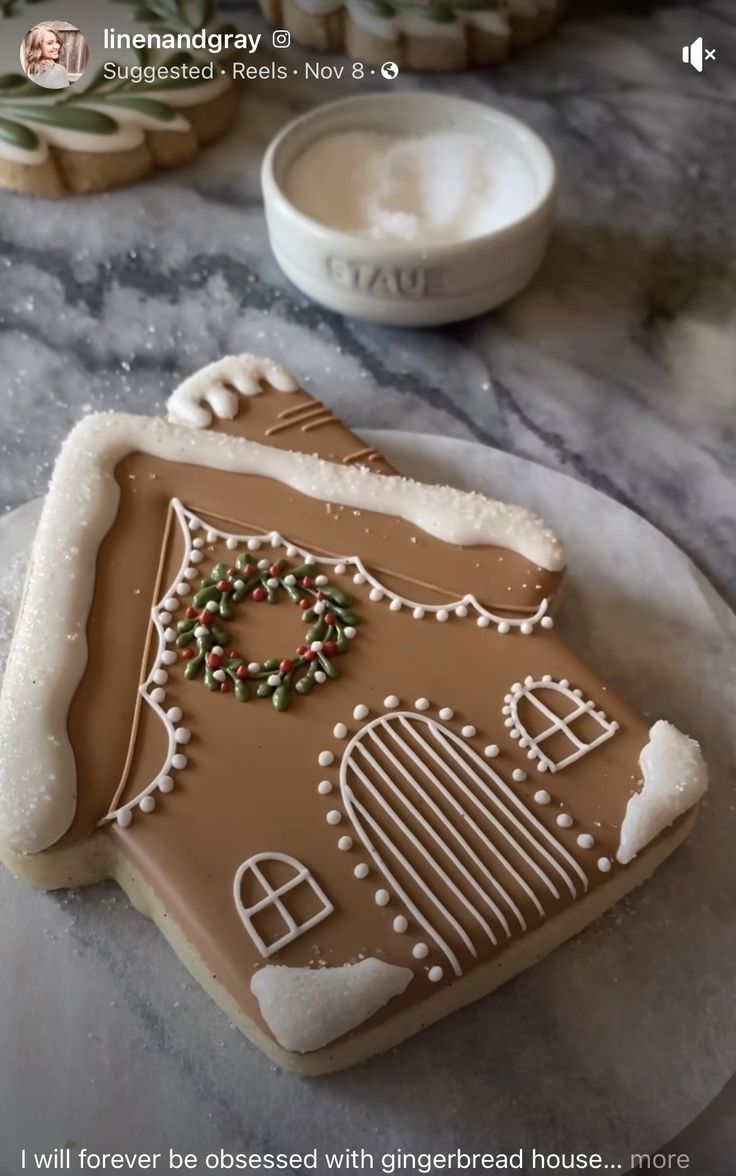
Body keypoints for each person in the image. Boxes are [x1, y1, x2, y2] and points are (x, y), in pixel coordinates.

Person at [24, 25, 70, 89]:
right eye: (50, 43)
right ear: (38, 47)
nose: (57, 46)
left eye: (57, 42)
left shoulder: (31, 69)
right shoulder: (58, 70)